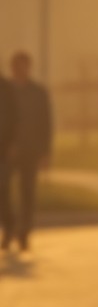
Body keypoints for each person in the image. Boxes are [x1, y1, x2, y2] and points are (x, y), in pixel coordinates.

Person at [1, 52, 53, 254]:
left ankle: (24, 232)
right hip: (6, 150)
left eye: (23, 66)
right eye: (16, 66)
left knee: (28, 192)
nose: (19, 70)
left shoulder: (38, 93)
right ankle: (9, 227)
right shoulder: (5, 90)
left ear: (29, 67)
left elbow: (46, 123)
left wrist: (45, 152)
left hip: (30, 150)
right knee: (3, 190)